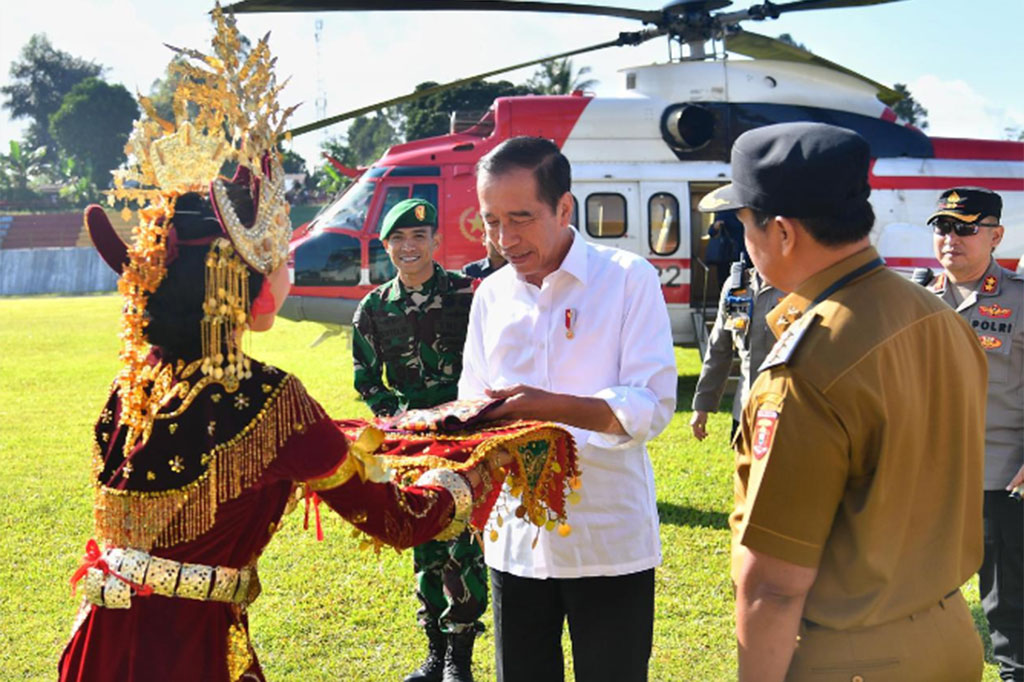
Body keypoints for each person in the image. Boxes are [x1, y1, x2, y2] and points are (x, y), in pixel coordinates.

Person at [57, 12, 504, 681]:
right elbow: (398, 521)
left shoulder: (135, 386)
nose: (289, 273)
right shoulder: (270, 403)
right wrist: (463, 481)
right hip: (190, 657)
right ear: (242, 290)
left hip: (98, 647)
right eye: (277, 263)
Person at [698, 122, 988, 682]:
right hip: (948, 634)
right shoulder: (936, 316)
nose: (745, 245)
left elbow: (774, 586)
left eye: (744, 227)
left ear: (781, 231)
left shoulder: (809, 366)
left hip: (852, 660)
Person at [458, 136, 677, 682]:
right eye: (490, 221)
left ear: (563, 207)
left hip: (607, 538)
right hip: (515, 543)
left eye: (520, 218)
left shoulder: (628, 278)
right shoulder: (491, 295)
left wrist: (551, 408)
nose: (504, 239)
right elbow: (472, 399)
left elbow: (650, 406)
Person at [352, 198, 485, 682]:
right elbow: (366, 378)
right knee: (424, 538)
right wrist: (401, 417)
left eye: (419, 237)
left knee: (464, 540)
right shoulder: (372, 308)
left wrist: (462, 414)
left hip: (468, 436)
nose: (409, 247)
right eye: (399, 240)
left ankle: (460, 661)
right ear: (387, 246)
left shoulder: (466, 295)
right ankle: (434, 653)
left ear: (435, 241)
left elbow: (492, 359)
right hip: (411, 441)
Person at [922, 187, 1022, 682]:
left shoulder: (1020, 301)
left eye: (965, 228)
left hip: (1002, 479)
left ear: (996, 236)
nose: (951, 238)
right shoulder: (915, 299)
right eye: (942, 227)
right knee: (921, 597)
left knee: (1008, 607)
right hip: (930, 481)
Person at [690, 257, 782, 440]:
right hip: (745, 411)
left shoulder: (802, 286)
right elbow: (719, 349)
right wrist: (703, 404)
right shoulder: (738, 287)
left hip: (787, 413)